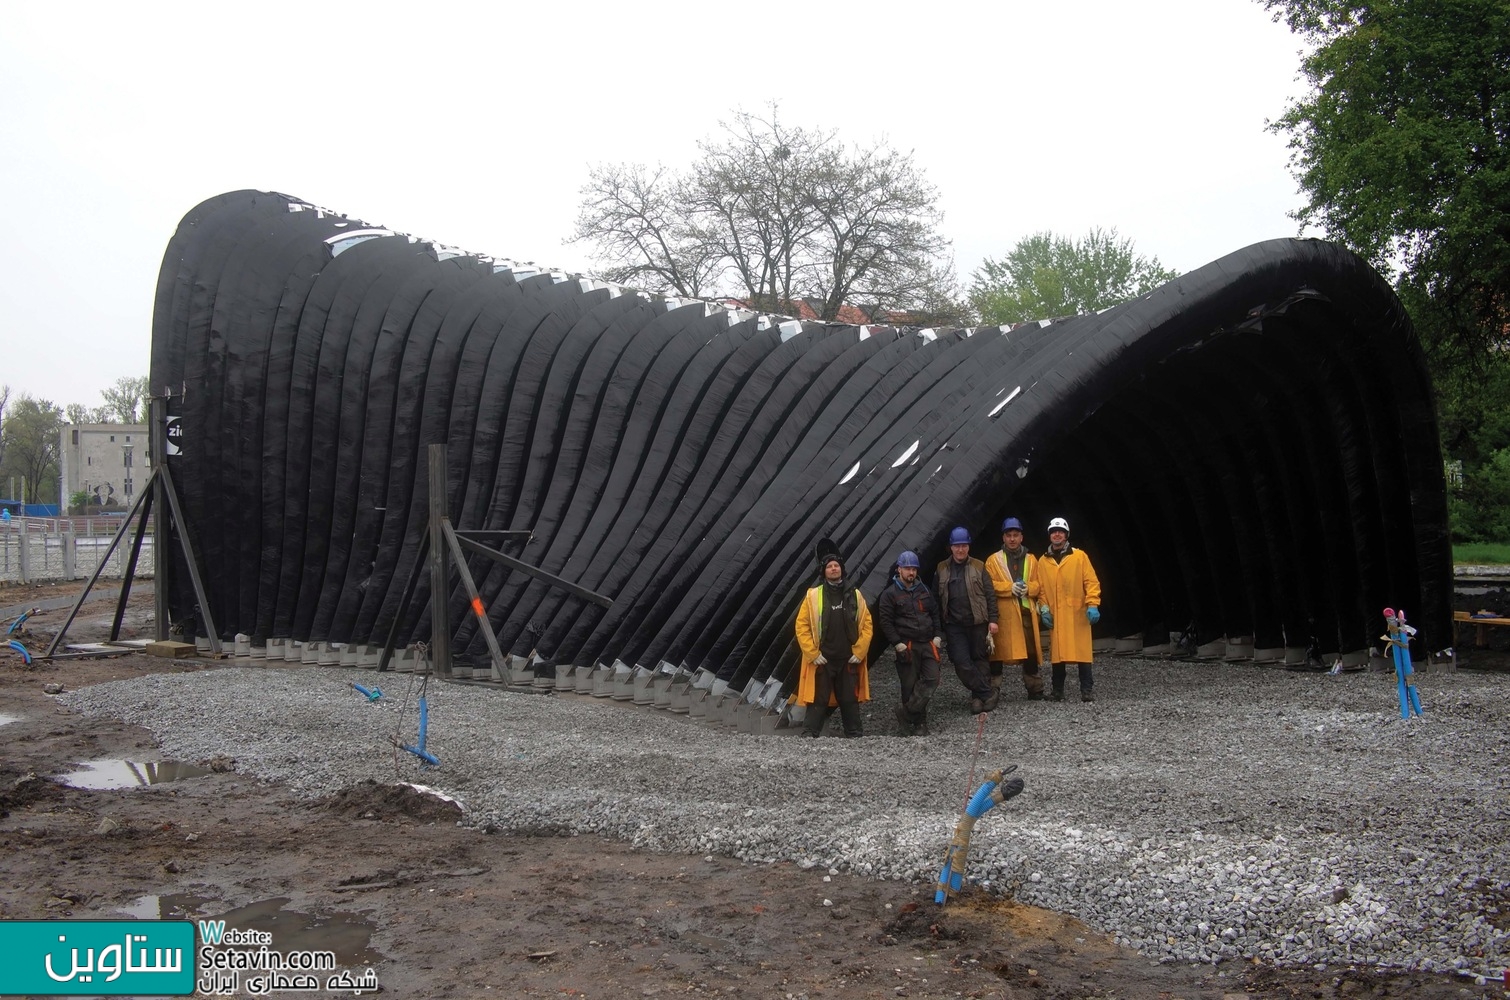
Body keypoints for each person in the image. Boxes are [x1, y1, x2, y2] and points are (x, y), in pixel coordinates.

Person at [794, 546, 873, 737]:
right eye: (829, 566)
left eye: (836, 565)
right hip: (824, 659)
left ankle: (854, 734)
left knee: (849, 698)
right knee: (818, 699)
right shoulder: (813, 596)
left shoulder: (855, 595)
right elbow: (801, 626)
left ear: (842, 569)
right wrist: (813, 654)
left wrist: (859, 652)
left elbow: (867, 625)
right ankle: (809, 734)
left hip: (847, 658)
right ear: (824, 571)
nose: (834, 569)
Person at [876, 550, 944, 736]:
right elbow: (885, 622)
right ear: (899, 569)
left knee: (932, 679)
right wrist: (897, 643)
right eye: (907, 568)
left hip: (927, 643)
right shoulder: (889, 594)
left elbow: (935, 613)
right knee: (909, 685)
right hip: (907, 645)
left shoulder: (924, 590)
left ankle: (906, 713)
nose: (911, 572)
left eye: (914, 569)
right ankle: (918, 724)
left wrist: (938, 635)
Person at [1036, 517, 1102, 702]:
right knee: (1058, 656)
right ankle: (1058, 691)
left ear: (1066, 535)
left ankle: (1086, 691)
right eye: (1053, 531)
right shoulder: (1043, 561)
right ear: (1050, 535)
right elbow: (1041, 589)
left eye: (1060, 531)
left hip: (1078, 613)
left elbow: (1091, 582)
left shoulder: (1080, 556)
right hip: (1056, 615)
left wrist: (1093, 604)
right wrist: (1044, 609)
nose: (1057, 534)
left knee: (1082, 653)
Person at [934, 526, 999, 713]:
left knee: (980, 660)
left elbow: (990, 595)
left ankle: (977, 699)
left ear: (968, 546)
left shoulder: (979, 566)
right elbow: (935, 599)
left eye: (963, 545)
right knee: (961, 662)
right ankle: (988, 693)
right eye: (957, 546)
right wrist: (938, 629)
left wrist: (993, 620)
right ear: (951, 547)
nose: (960, 549)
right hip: (954, 625)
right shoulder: (941, 568)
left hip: (978, 622)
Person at [985, 517, 1044, 701]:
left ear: (1021, 537)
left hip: (1026, 612)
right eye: (1009, 535)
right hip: (1003, 615)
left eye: (1015, 535)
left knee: (1031, 652)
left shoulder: (1032, 560)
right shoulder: (993, 561)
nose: (1012, 539)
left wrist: (1029, 588)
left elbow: (1039, 584)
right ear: (1003, 537)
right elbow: (988, 585)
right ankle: (993, 688)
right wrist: (1009, 588)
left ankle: (1034, 688)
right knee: (996, 653)